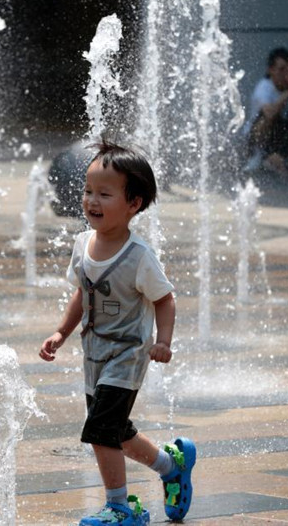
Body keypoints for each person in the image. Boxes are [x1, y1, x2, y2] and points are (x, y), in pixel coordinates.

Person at [39, 141, 196, 526]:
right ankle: (170, 467)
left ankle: (121, 507)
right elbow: (82, 292)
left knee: (100, 430)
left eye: (104, 194)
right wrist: (61, 332)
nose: (92, 200)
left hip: (127, 355)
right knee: (118, 431)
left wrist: (163, 341)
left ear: (134, 204)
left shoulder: (138, 255)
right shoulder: (83, 244)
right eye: (88, 191)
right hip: (94, 353)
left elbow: (165, 299)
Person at [241, 47, 288, 177]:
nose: (284, 74)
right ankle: (260, 157)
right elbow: (269, 114)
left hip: (279, 138)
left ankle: (280, 157)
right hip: (257, 138)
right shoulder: (264, 87)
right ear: (270, 70)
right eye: (281, 70)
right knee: (268, 115)